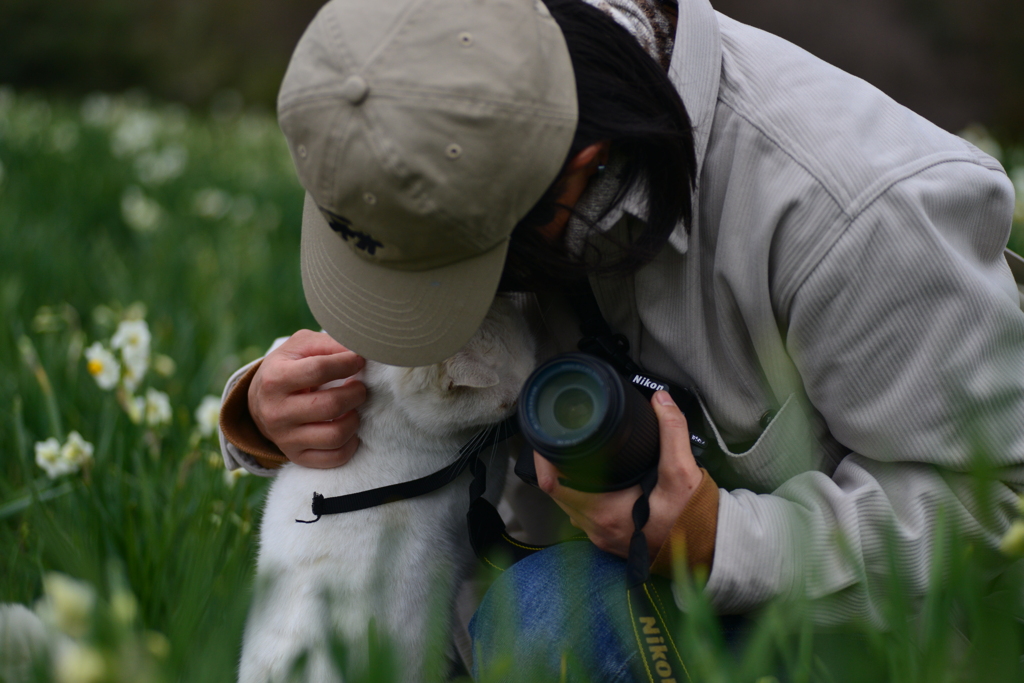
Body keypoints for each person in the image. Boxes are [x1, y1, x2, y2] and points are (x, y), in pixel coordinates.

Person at [218, 0, 1024, 678]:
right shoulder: (477, 116)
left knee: (554, 624)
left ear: (585, 177)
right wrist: (278, 405)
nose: (469, 305)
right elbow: (437, 368)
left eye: (477, 274)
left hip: (848, 625)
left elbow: (995, 510)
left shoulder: (860, 215)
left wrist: (719, 539)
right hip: (539, 571)